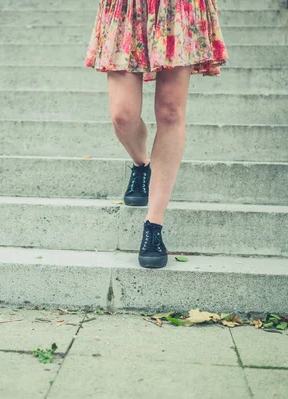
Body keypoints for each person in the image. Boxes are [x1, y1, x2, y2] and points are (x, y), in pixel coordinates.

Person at [85, 0, 228, 269]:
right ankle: (142, 164)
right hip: (127, 7)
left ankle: (154, 225)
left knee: (171, 112)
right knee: (122, 116)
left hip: (178, 7)